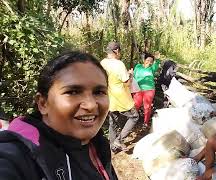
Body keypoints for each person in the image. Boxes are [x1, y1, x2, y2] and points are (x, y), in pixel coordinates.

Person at [0, 51, 118, 180]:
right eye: (73, 92)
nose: (91, 105)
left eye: (99, 92)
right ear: (43, 103)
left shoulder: (98, 145)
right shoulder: (17, 156)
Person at [100, 42, 139, 152]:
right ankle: (119, 140)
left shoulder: (102, 63)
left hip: (110, 97)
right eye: (119, 51)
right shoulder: (119, 64)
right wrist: (130, 74)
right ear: (116, 51)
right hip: (122, 98)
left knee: (113, 122)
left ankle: (113, 146)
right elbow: (126, 83)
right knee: (134, 117)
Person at [133, 52, 161, 126]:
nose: (149, 62)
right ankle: (133, 120)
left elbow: (156, 65)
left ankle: (145, 122)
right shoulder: (138, 66)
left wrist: (157, 59)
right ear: (144, 60)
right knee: (136, 105)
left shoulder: (151, 68)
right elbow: (134, 76)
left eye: (151, 61)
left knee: (147, 106)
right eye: (148, 60)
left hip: (149, 90)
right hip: (138, 89)